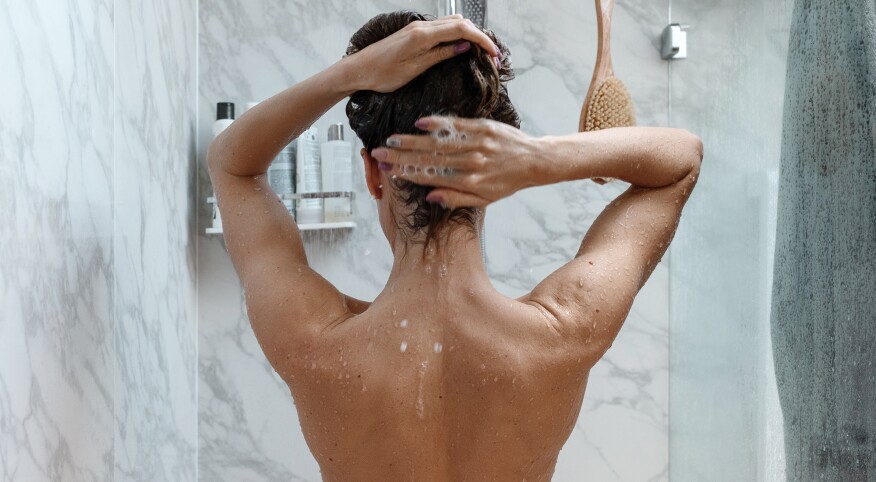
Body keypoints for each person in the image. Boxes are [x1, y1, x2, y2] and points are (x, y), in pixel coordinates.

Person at [207, 10, 702, 481]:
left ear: (373, 174)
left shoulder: (313, 342)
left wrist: (349, 74)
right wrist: (540, 159)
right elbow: (682, 160)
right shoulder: (562, 331)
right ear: (496, 173)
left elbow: (231, 164)